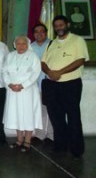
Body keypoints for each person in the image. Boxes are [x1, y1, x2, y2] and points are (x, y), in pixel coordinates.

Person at [41, 15, 89, 160]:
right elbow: (43, 62)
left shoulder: (77, 40)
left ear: (67, 24)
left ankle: (76, 150)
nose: (59, 28)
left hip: (70, 85)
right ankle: (60, 146)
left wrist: (59, 72)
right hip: (51, 84)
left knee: (73, 117)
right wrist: (50, 72)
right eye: (56, 26)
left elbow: (80, 60)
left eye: (61, 25)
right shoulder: (52, 43)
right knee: (56, 118)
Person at [3, 35, 42, 152]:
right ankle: (19, 140)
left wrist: (23, 85)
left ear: (28, 44)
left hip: (27, 91)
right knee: (16, 115)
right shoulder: (10, 56)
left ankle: (27, 142)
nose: (21, 46)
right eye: (18, 43)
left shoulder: (32, 56)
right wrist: (9, 84)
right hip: (13, 91)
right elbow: (4, 71)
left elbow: (36, 72)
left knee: (27, 114)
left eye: (23, 43)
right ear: (15, 45)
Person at [31, 24, 54, 144]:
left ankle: (51, 136)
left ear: (46, 32)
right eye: (36, 31)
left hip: (51, 84)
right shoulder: (30, 47)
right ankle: (39, 135)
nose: (39, 34)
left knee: (52, 111)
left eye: (42, 31)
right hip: (35, 85)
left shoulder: (53, 45)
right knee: (39, 111)